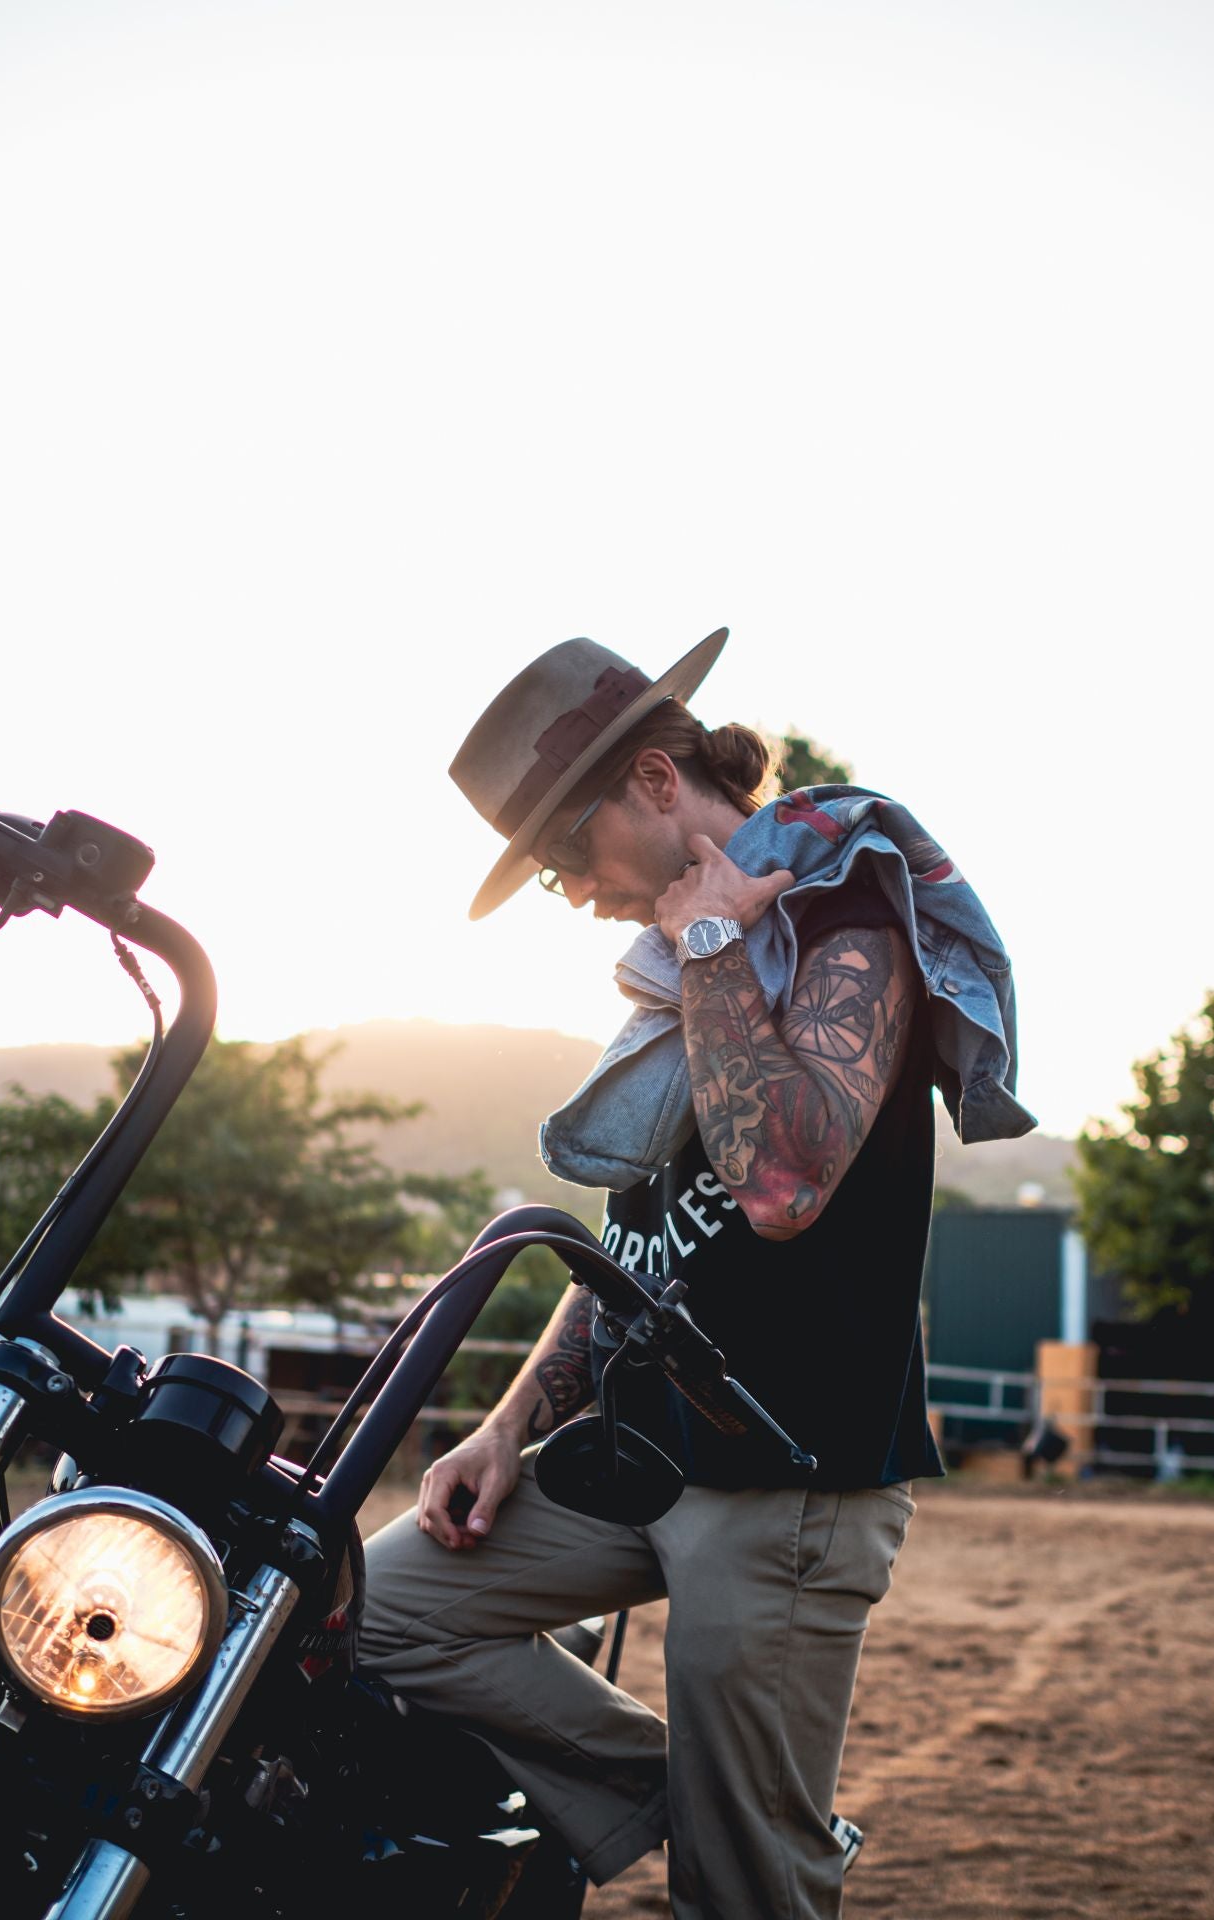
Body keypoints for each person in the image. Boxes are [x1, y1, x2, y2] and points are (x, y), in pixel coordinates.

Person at [358, 626, 1029, 1919]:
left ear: (659, 783)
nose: (574, 895)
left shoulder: (843, 908)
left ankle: (747, 1827)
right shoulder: (674, 971)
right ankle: (708, 1795)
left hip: (785, 1473)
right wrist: (506, 1431)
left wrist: (718, 946)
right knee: (381, 1607)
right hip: (636, 1445)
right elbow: (637, 1238)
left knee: (741, 1903)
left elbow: (780, 1188)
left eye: (567, 856)